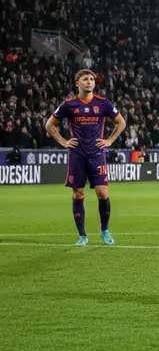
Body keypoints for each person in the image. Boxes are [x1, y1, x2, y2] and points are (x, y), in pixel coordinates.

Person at [45, 69, 126, 246]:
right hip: (78, 154)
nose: (89, 82)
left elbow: (121, 121)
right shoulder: (69, 104)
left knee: (103, 193)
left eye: (91, 79)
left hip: (97, 154)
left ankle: (104, 231)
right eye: (85, 79)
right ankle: (82, 236)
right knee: (78, 193)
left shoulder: (103, 103)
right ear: (77, 83)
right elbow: (50, 124)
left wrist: (110, 140)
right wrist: (64, 142)